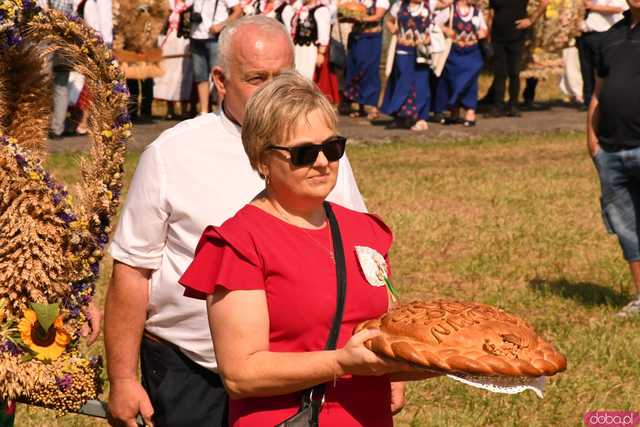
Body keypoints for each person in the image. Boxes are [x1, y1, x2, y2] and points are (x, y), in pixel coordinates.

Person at [104, 16, 377, 427]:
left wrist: (385, 366)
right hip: (192, 369)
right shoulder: (172, 154)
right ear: (220, 79)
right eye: (256, 78)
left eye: (282, 77)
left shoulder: (322, 155)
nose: (272, 91)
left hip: (300, 373)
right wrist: (123, 378)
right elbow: (132, 272)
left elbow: (357, 260)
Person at [179, 72, 427, 426]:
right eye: (304, 153)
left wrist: (455, 358)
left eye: (333, 147)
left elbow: (390, 333)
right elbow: (240, 373)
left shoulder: (365, 230)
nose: (323, 162)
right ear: (263, 160)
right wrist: (342, 362)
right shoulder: (239, 242)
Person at [587, 0, 640, 318]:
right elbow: (598, 91)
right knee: (627, 228)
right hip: (610, 149)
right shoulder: (611, 36)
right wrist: (591, 139)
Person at [485, 0, 548, 117]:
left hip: (516, 36)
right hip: (497, 36)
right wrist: (488, 35)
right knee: (499, 73)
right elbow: (491, 13)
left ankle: (513, 106)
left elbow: (544, 2)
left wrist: (530, 20)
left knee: (514, 72)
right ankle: (498, 106)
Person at [380, 0, 435, 131]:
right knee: (403, 82)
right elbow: (389, 20)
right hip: (403, 51)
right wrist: (396, 32)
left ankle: (421, 118)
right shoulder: (399, 5)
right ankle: (401, 116)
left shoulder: (429, 5)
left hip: (422, 52)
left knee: (421, 84)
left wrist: (426, 38)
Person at [188, 0, 242, 114]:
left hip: (215, 38)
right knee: (200, 76)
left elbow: (238, 11)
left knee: (219, 76)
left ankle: (221, 111)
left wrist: (221, 25)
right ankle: (204, 111)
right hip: (196, 36)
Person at [440, 0, 487, 126]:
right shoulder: (450, 10)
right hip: (454, 53)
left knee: (470, 82)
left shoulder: (477, 12)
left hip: (472, 52)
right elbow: (434, 23)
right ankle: (454, 112)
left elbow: (484, 28)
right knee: (453, 82)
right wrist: (445, 29)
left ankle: (471, 112)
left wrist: (482, 32)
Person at [341, 0, 389, 120]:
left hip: (370, 39)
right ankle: (359, 106)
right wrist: (347, 17)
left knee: (369, 71)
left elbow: (378, 16)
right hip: (356, 38)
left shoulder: (380, 2)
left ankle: (372, 107)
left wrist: (361, 18)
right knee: (355, 70)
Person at [577, 0, 627, 110]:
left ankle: (605, 101)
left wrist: (592, 7)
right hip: (585, 34)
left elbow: (618, 9)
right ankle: (588, 101)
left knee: (602, 70)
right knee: (586, 69)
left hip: (603, 34)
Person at [154, 0, 194, 120]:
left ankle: (184, 108)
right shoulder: (167, 3)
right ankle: (169, 109)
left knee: (185, 74)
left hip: (185, 41)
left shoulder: (192, 3)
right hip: (168, 41)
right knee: (167, 73)